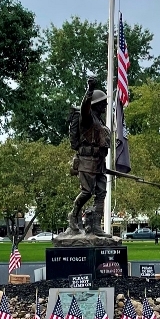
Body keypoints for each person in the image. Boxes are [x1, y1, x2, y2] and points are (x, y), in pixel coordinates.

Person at [64, 77, 112, 237]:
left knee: (101, 192)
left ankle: (96, 226)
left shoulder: (99, 120)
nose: (105, 105)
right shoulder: (87, 117)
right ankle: (73, 215)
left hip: (99, 162)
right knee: (87, 191)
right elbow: (85, 107)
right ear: (96, 104)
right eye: (103, 102)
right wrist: (90, 90)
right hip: (86, 160)